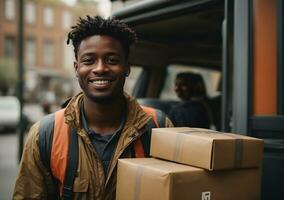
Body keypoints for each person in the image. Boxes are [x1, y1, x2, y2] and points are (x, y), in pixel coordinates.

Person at [13, 16, 173, 200]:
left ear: (127, 68)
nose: (100, 68)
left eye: (112, 60)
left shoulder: (159, 126)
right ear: (76, 68)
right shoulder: (45, 134)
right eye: (89, 60)